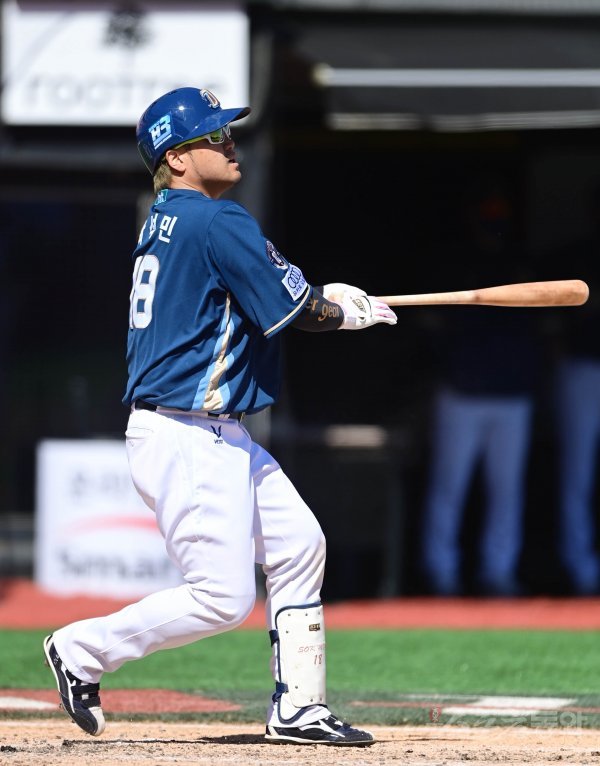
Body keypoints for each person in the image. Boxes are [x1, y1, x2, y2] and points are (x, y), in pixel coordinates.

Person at [42, 86, 396, 745]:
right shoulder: (216, 219)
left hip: (205, 431)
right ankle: (81, 649)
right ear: (176, 158)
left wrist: (324, 298)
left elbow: (259, 297)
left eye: (227, 132)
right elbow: (295, 310)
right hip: (187, 432)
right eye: (213, 136)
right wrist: (342, 312)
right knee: (221, 599)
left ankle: (299, 708)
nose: (230, 144)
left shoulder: (167, 220)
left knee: (299, 545)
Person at [419, 180, 543, 597]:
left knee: (507, 491)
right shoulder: (455, 262)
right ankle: (442, 574)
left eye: (499, 216)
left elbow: (543, 328)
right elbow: (431, 326)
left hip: (512, 394)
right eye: (487, 215)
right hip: (462, 392)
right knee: (449, 487)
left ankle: (499, 573)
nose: (493, 224)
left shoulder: (521, 263)